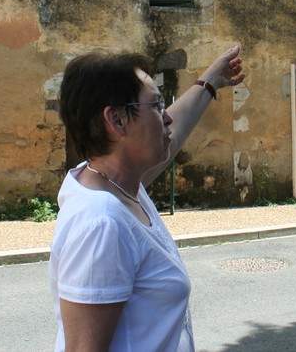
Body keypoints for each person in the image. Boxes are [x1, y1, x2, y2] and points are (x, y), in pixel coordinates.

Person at [48, 45, 245, 352]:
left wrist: (210, 81)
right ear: (116, 119)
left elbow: (173, 134)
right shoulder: (101, 223)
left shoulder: (118, 185)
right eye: (155, 105)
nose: (165, 116)